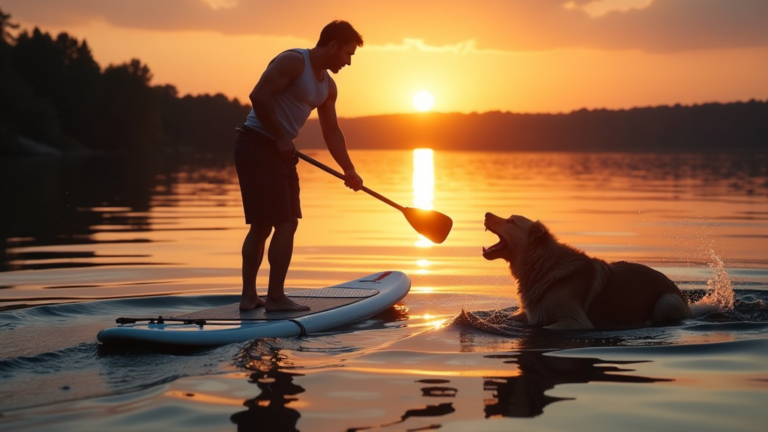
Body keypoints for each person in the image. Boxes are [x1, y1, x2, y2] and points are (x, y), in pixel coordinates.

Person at [234, 21, 364, 311]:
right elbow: (258, 96)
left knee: (280, 223)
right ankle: (273, 298)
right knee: (276, 223)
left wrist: (349, 169)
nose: (349, 61)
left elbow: (331, 131)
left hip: (281, 152)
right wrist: (281, 137)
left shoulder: (328, 86)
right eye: (347, 53)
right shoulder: (294, 61)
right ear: (332, 46)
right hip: (257, 145)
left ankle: (251, 298)